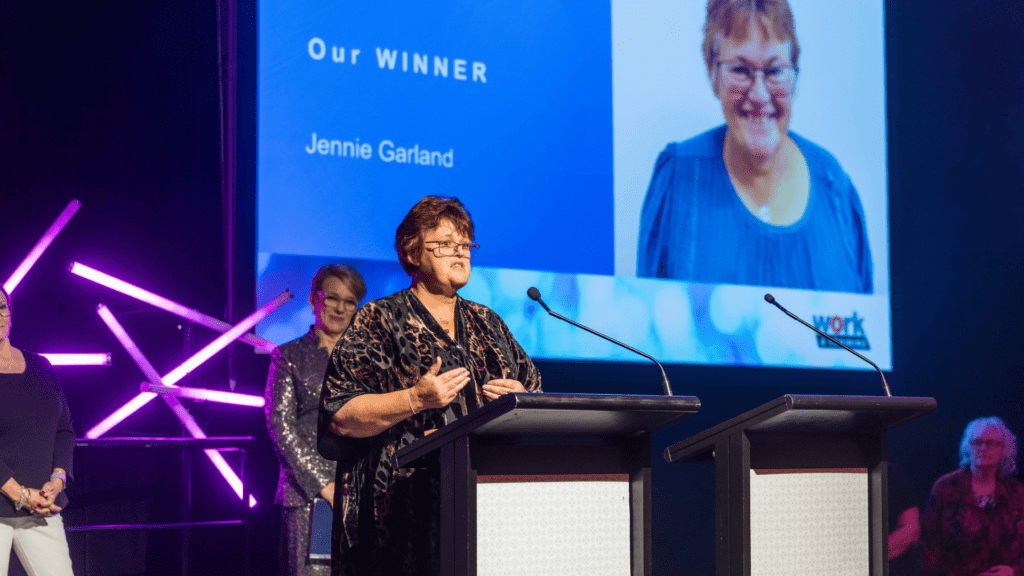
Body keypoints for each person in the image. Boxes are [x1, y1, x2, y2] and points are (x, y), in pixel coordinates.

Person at [318, 195, 542, 576]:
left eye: (465, 244)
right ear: (411, 252)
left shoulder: (488, 321)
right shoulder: (379, 319)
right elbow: (341, 415)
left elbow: (534, 392)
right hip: (399, 516)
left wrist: (519, 397)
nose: (460, 253)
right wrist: (414, 399)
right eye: (445, 244)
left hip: (487, 506)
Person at [637, 0, 873, 294]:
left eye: (775, 72)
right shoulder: (677, 178)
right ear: (713, 73)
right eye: (740, 70)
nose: (760, 95)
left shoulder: (835, 187)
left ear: (795, 76)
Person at [266, 265, 368, 576]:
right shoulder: (288, 356)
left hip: (360, 494)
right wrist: (324, 485)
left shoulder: (369, 360)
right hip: (310, 497)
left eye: (350, 301)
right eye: (332, 298)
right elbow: (280, 426)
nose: (340, 308)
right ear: (314, 300)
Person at [0, 286, 75, 575]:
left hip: (41, 509)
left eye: (2, 307)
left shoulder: (41, 367)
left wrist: (57, 480)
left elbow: (64, 430)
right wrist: (18, 493)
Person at [920, 417, 1024, 576]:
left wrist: (1014, 571)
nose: (983, 447)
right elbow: (928, 545)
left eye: (991, 443)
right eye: (977, 442)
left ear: (1004, 449)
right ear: (967, 447)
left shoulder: (1017, 492)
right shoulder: (946, 487)